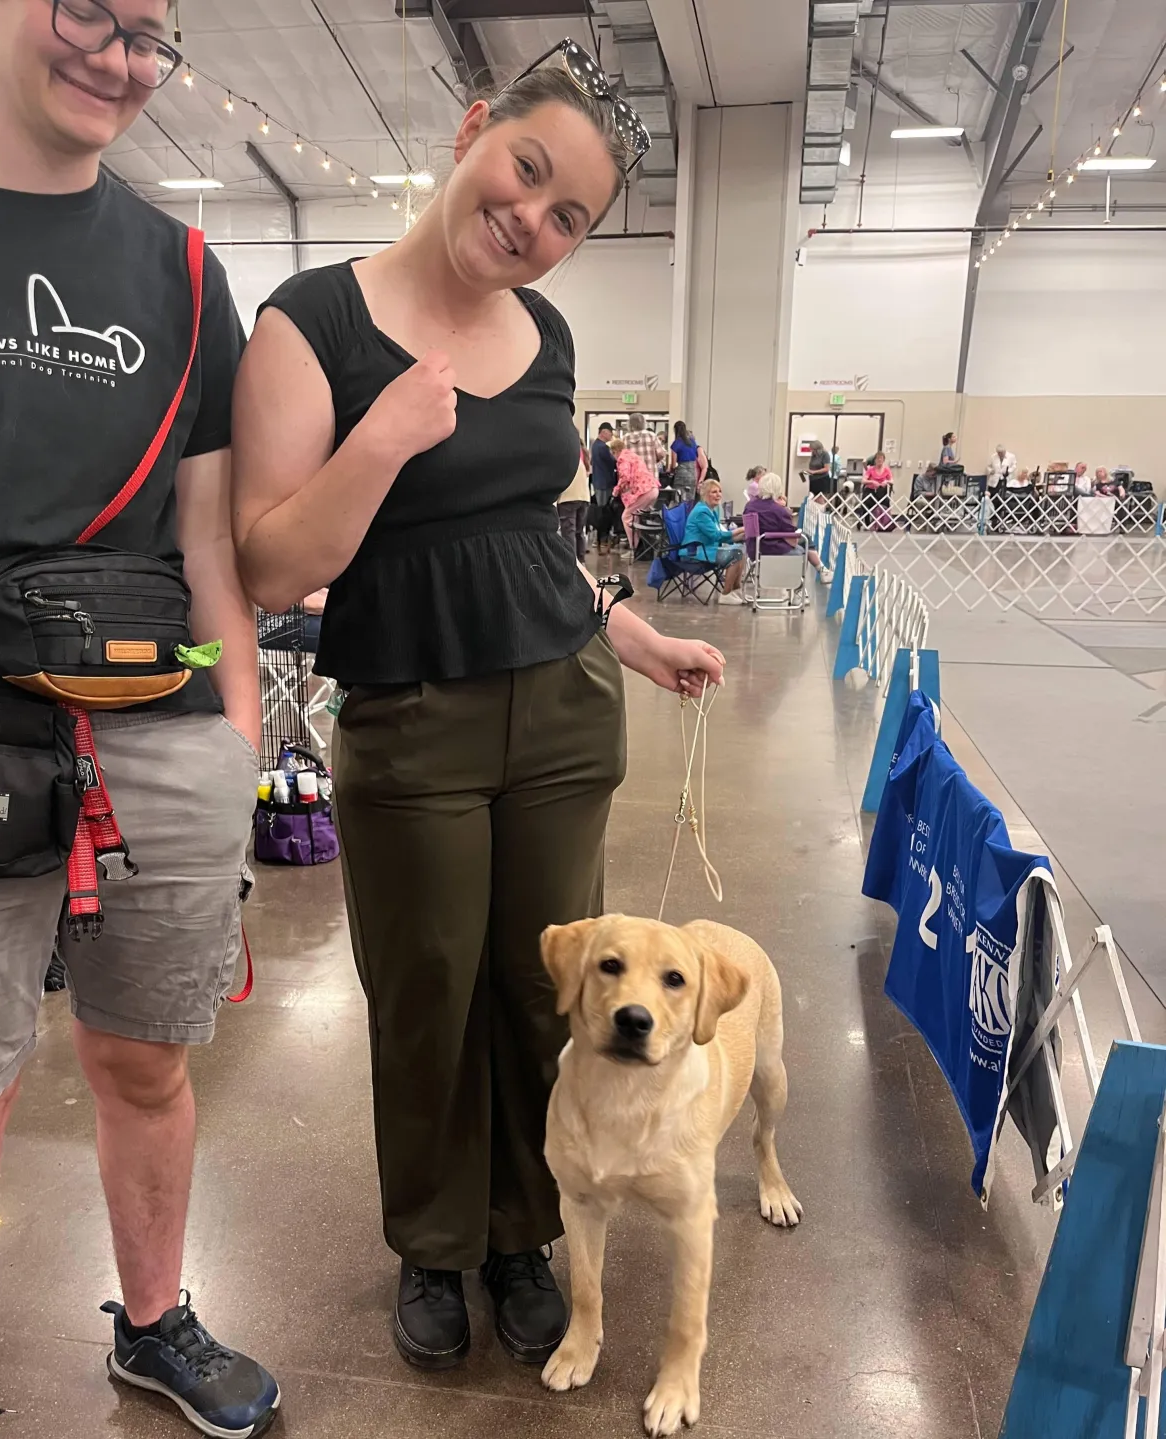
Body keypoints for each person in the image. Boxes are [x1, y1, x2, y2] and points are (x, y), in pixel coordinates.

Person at [229, 45, 724, 1378]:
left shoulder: (544, 336)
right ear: (472, 131)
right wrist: (381, 436)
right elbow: (270, 563)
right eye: (528, 170)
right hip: (410, 711)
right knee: (426, 989)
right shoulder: (310, 322)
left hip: (563, 705)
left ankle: (522, 1230)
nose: (532, 220)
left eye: (570, 217)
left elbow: (530, 543)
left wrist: (636, 636)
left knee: (544, 984)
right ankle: (435, 1240)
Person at [0, 4, 278, 1438]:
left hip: (160, 722)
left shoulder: (187, 274)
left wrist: (235, 724)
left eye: (152, 33)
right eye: (88, 9)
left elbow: (208, 540)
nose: (121, 58)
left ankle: (154, 1322)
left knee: (146, 1060)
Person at [684, 477, 746, 603]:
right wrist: (741, 529)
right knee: (736, 554)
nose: (718, 495)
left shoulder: (712, 510)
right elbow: (716, 536)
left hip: (708, 548)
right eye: (714, 492)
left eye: (720, 491)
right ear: (705, 494)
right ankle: (726, 594)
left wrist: (742, 536)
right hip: (695, 551)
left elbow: (721, 534)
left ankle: (736, 591)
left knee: (741, 549)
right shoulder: (701, 512)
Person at [742, 472, 820, 570]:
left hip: (754, 550)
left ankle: (820, 568)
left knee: (803, 540)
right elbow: (793, 541)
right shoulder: (778, 510)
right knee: (801, 548)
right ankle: (819, 569)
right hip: (773, 551)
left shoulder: (749, 506)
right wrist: (787, 512)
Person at [611, 435, 659, 551]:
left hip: (644, 491)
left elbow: (625, 477)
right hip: (653, 489)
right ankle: (642, 548)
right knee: (636, 518)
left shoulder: (622, 458)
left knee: (626, 517)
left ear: (615, 451)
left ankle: (635, 548)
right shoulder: (633, 455)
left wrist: (616, 490)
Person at [557, 441, 590, 562]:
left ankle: (571, 562)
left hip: (568, 499)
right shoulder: (580, 460)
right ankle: (581, 561)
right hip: (584, 498)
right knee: (579, 532)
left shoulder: (563, 460)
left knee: (568, 532)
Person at [588, 421, 617, 554]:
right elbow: (613, 462)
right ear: (604, 432)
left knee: (600, 511)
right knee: (604, 513)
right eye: (610, 433)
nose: (611, 435)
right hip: (605, 484)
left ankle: (599, 539)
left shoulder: (595, 446)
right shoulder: (603, 447)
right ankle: (603, 539)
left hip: (598, 483)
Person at [669, 420, 704, 501]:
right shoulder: (693, 442)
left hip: (681, 474)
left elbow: (673, 465)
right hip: (692, 473)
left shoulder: (676, 443)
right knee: (690, 500)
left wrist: (670, 469)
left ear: (675, 430)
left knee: (678, 499)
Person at [623, 411, 665, 478]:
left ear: (629, 424)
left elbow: (623, 458)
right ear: (643, 423)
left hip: (633, 476)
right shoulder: (651, 435)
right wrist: (653, 459)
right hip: (650, 476)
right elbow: (661, 454)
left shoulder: (625, 438)